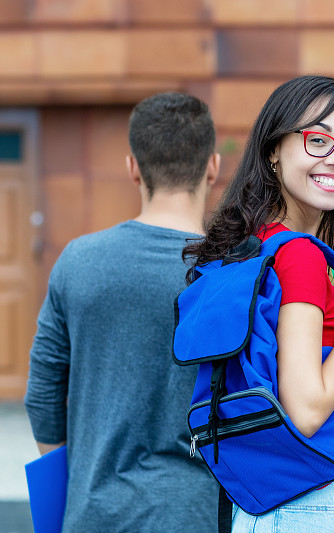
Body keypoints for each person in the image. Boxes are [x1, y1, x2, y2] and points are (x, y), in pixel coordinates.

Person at [183, 75, 334, 532]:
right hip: (323, 498)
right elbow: (306, 408)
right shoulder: (298, 254)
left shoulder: (255, 243)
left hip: (269, 499)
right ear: (274, 150)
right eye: (317, 140)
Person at [24, 92, 221, 532]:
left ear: (133, 167)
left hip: (94, 514)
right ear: (213, 166)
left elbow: (42, 397)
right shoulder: (233, 273)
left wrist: (77, 485)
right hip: (198, 516)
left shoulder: (78, 262)